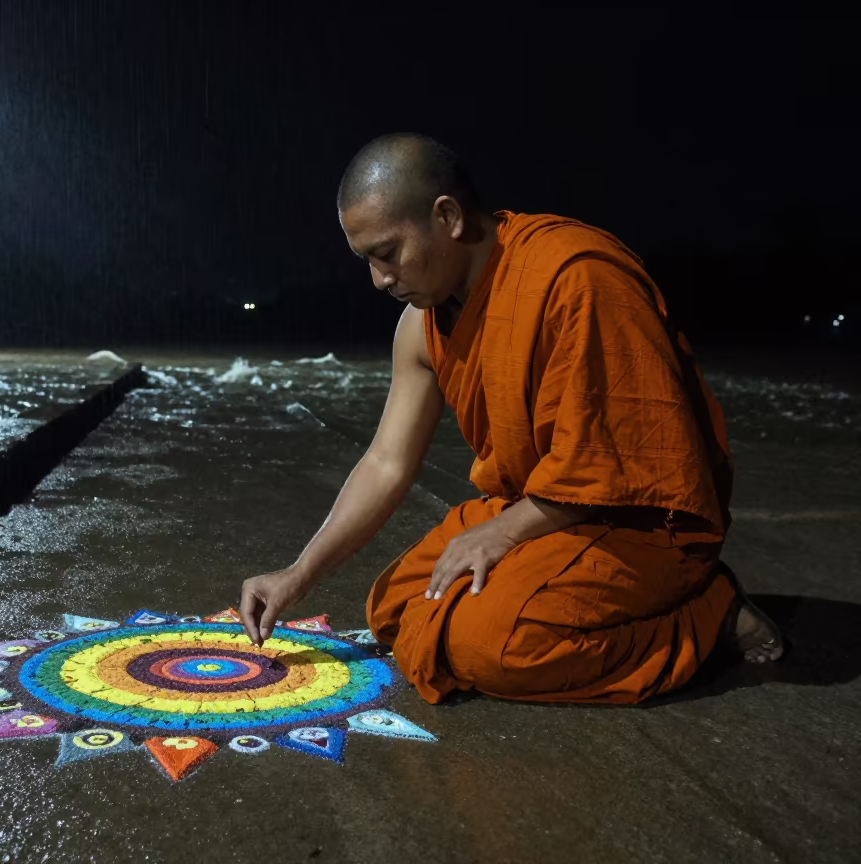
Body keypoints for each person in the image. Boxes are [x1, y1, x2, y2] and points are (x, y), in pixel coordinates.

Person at [238, 133, 781, 705]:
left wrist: (501, 532)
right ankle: (529, 586)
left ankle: (708, 614)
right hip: (542, 508)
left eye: (388, 253)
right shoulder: (421, 324)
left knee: (492, 645)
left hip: (639, 524)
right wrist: (298, 574)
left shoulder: (575, 278)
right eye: (366, 260)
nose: (379, 279)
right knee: (397, 608)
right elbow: (387, 461)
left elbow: (626, 465)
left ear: (445, 216)